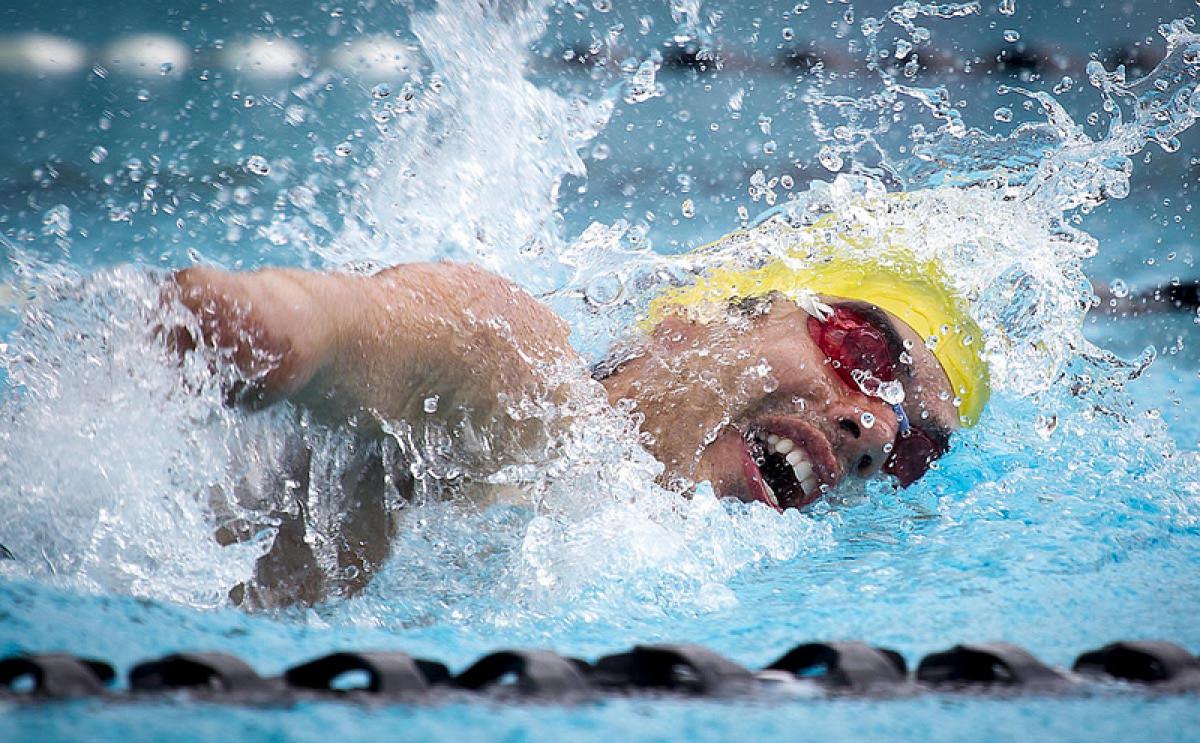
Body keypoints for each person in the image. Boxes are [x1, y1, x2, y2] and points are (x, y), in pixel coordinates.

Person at [166, 209, 990, 606]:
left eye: (915, 449)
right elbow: (384, 332)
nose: (876, 429)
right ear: (698, 316)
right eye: (865, 356)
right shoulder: (527, 384)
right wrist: (275, 331)